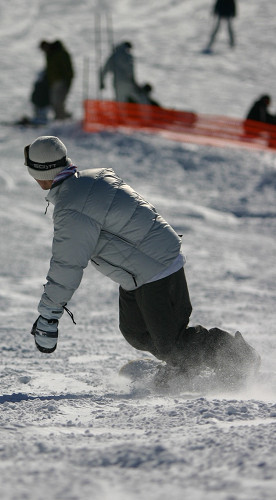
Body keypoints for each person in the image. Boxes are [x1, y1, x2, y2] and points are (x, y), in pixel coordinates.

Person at [24, 135, 260, 386]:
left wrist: (49, 316)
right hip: (140, 268)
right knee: (136, 333)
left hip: (155, 267)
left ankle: (239, 357)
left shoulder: (72, 207)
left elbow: (67, 265)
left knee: (171, 343)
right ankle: (185, 364)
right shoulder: (95, 178)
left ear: (41, 173)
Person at [39, 40, 74, 120]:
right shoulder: (49, 55)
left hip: (62, 82)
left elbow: (67, 69)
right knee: (54, 102)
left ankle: (62, 119)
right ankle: (61, 117)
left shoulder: (60, 53)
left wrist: (67, 81)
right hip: (53, 82)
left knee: (59, 102)